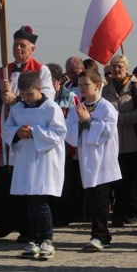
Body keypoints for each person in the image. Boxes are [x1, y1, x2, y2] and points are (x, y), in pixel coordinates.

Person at [0, 25, 54, 241]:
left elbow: (48, 97)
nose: (18, 48)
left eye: (22, 45)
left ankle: (27, 229)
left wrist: (17, 99)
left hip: (28, 132)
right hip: (8, 130)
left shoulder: (41, 70)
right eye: (15, 45)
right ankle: (7, 222)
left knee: (25, 181)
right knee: (5, 180)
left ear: (32, 48)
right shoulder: (4, 71)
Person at [2, 71, 66, 260]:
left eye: (30, 94)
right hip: (25, 160)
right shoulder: (17, 108)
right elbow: (6, 129)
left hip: (45, 160)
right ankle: (35, 240)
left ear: (39, 89)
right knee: (30, 200)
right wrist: (17, 133)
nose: (26, 98)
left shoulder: (50, 107)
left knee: (40, 201)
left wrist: (34, 132)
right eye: (22, 95)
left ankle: (46, 240)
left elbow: (59, 132)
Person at [66, 69, 121, 251]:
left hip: (103, 159)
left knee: (101, 199)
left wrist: (88, 122)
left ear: (97, 85)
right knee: (92, 199)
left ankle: (100, 236)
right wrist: (82, 123)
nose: (81, 88)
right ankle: (100, 235)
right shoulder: (78, 108)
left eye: (86, 84)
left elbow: (108, 131)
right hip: (86, 159)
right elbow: (69, 132)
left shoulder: (106, 107)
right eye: (79, 85)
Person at [102, 54, 137, 226]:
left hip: (133, 139)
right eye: (114, 66)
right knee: (118, 178)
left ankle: (127, 212)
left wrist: (122, 119)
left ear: (127, 68)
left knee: (129, 177)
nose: (116, 69)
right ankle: (128, 211)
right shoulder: (106, 89)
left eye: (120, 66)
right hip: (114, 141)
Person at [48, 63, 82, 226]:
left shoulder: (70, 97)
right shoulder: (42, 98)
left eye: (50, 80)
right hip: (46, 148)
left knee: (65, 183)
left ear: (58, 81)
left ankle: (63, 215)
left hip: (65, 148)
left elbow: (74, 122)